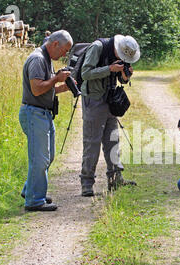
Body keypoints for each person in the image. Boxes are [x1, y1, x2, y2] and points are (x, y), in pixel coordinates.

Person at [19, 30, 73, 211]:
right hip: (34, 113)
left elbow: (45, 88)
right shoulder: (37, 59)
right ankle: (34, 202)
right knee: (40, 159)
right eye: (64, 50)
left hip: (43, 114)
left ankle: (31, 191)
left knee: (47, 157)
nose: (64, 55)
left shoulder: (46, 58)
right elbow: (36, 89)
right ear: (55, 44)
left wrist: (62, 87)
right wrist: (56, 78)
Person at [79, 35, 140, 196]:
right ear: (119, 48)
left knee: (113, 140)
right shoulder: (98, 47)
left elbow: (121, 78)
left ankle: (115, 180)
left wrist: (125, 76)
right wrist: (109, 69)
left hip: (110, 99)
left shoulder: (122, 54)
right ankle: (87, 184)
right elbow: (85, 73)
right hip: (93, 100)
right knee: (92, 142)